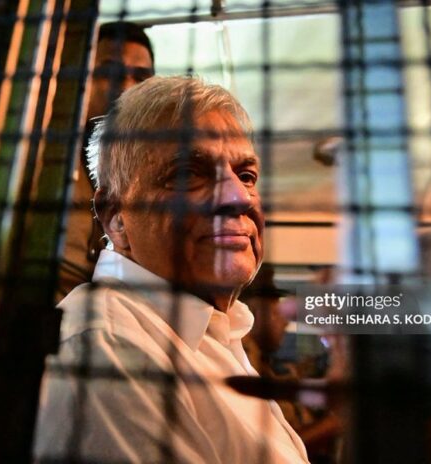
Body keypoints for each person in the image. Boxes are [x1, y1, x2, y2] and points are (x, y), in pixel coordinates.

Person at [34, 76, 309, 463]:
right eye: (188, 174)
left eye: (246, 176)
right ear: (115, 217)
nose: (238, 197)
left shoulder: (214, 334)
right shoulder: (108, 346)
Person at [57, 22, 155, 300]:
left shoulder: (150, 182)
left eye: (140, 79)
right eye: (109, 72)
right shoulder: (45, 158)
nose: (126, 87)